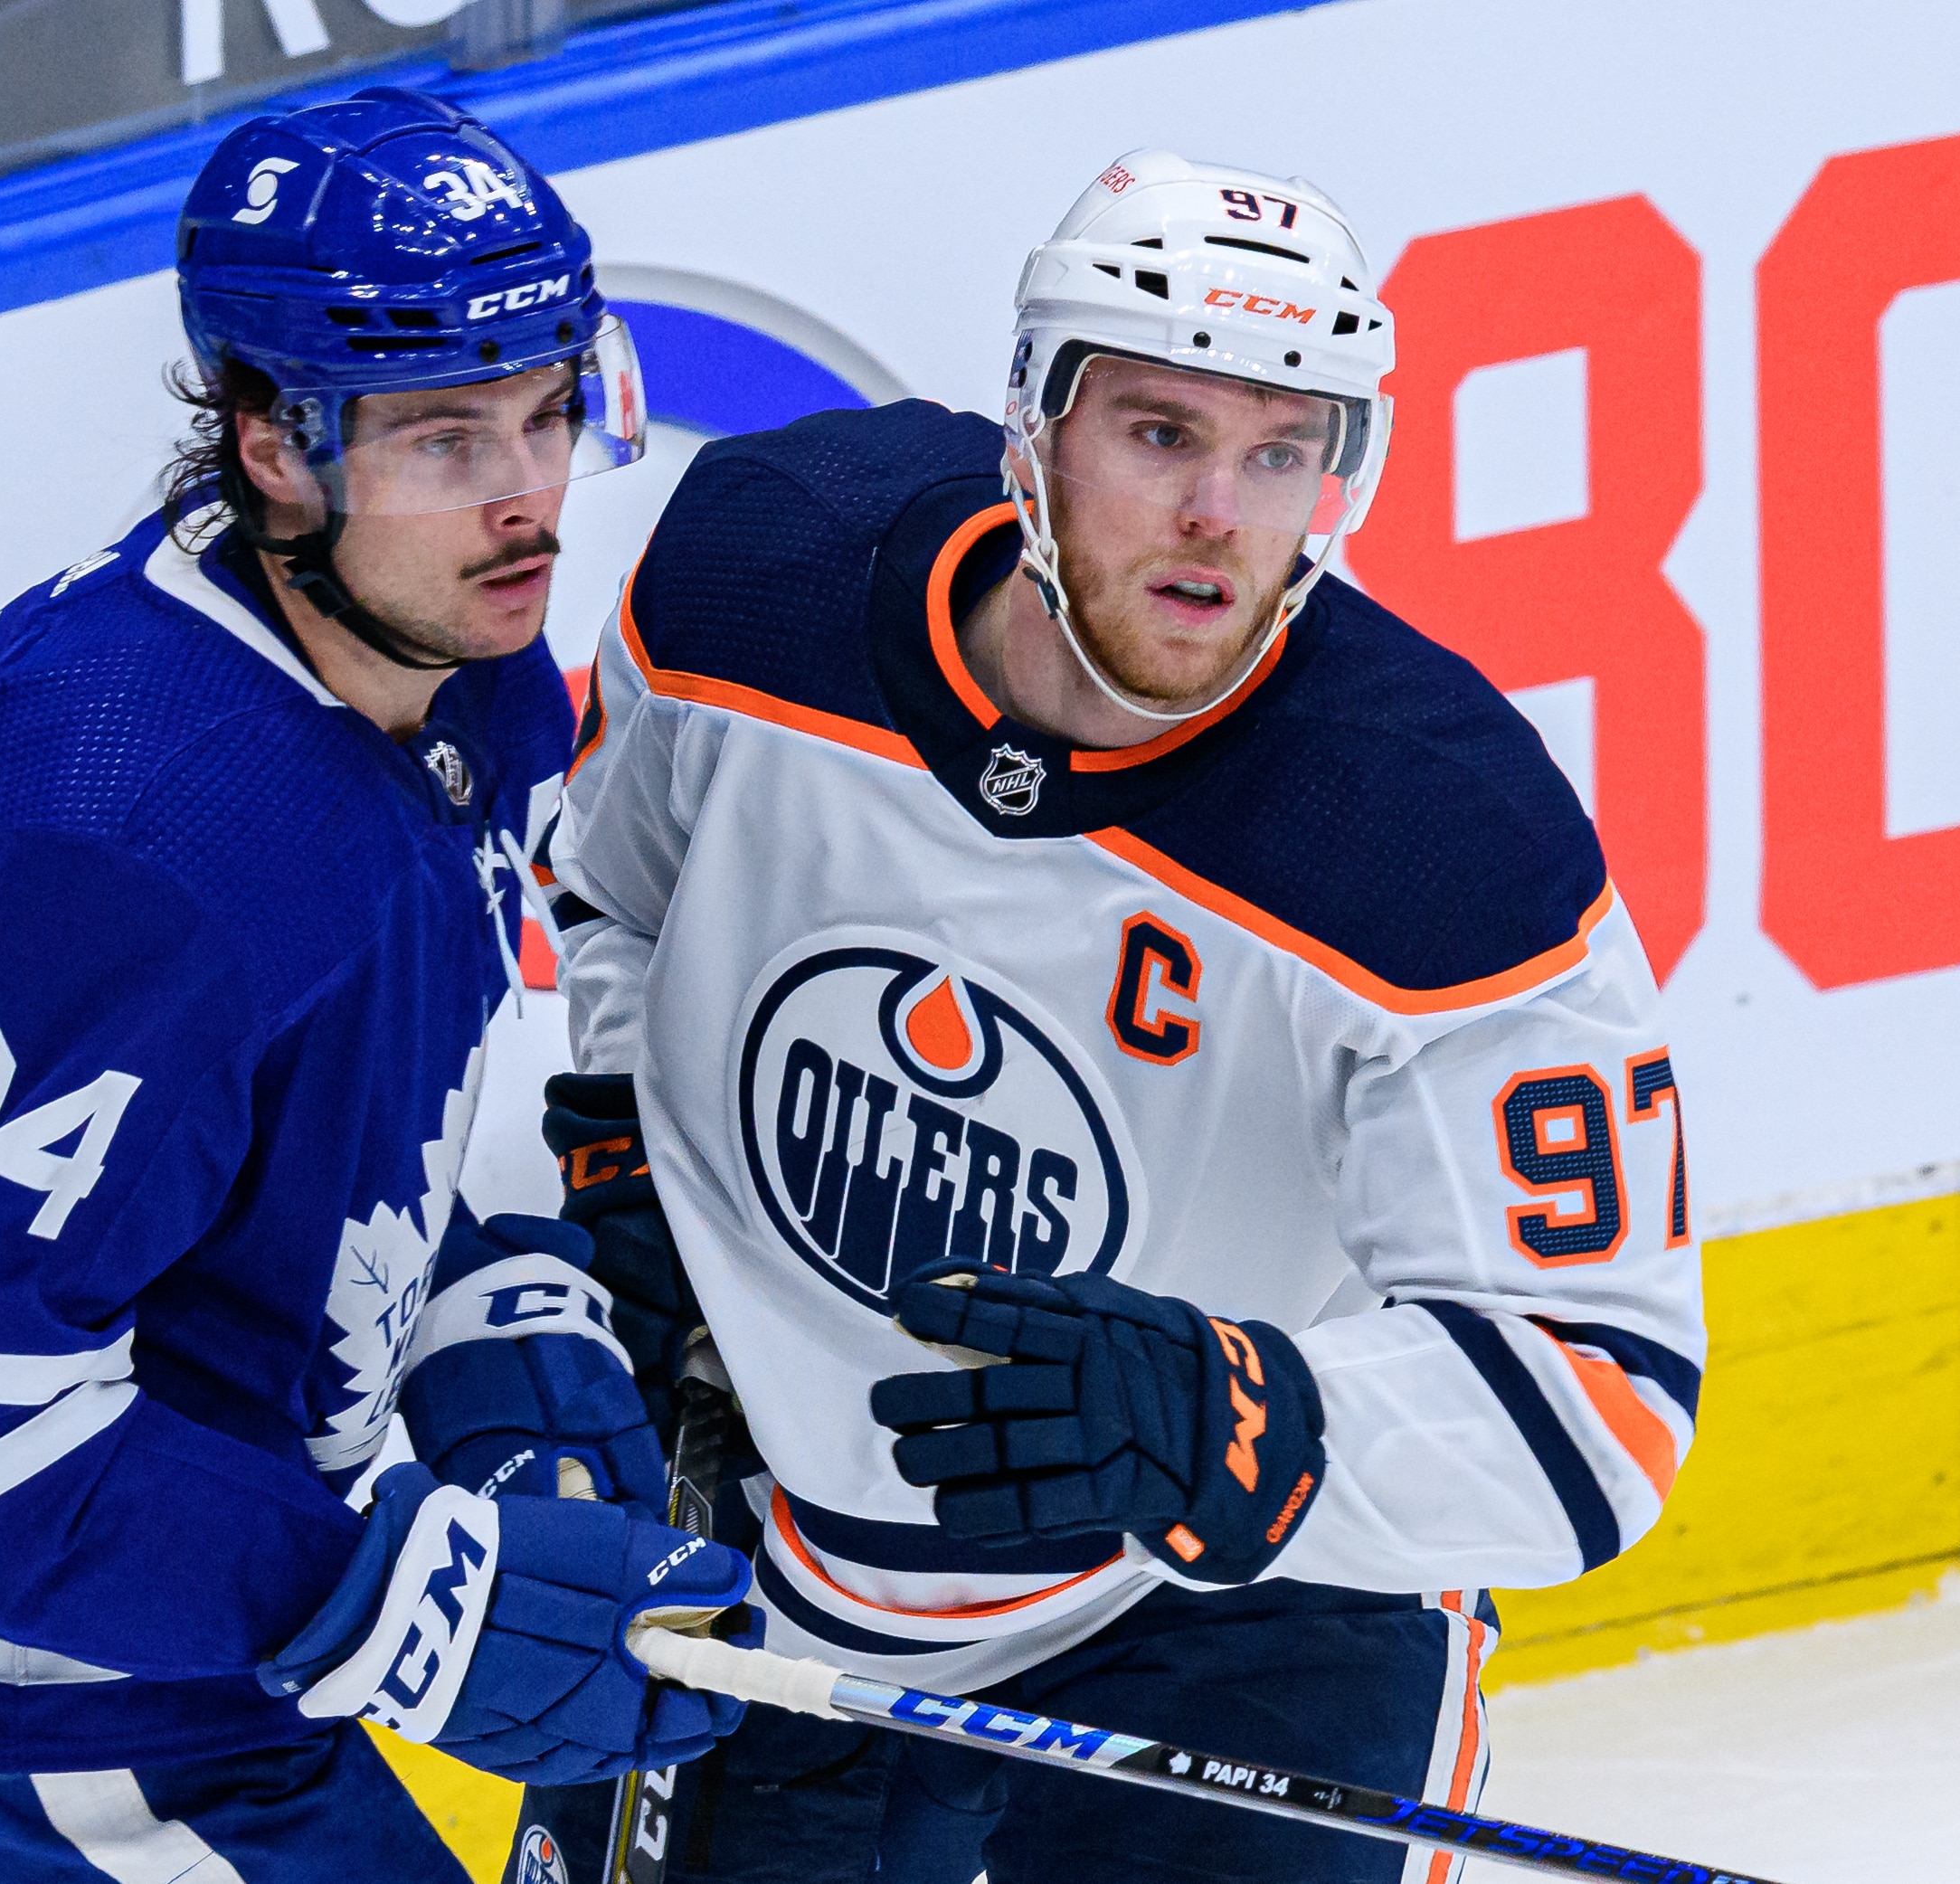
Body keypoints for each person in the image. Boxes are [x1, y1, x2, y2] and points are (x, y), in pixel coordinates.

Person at [516, 150, 1704, 1884]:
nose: (1220, 516)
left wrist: (1251, 1424)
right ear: (1032, 428)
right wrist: (626, 1128)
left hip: (1239, 1621)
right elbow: (614, 897)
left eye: (1279, 453)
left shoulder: (1432, 837)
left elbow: (1600, 1407)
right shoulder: (763, 570)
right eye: (1160, 436)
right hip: (763, 1559)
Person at [0, 89, 753, 1883]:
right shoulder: (129, 832)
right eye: (448, 438)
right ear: (272, 444)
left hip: (131, 1623)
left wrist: (491, 1318)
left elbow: (339, 1121)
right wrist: (385, 1593)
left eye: (549, 411)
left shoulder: (453, 674)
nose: (529, 494)